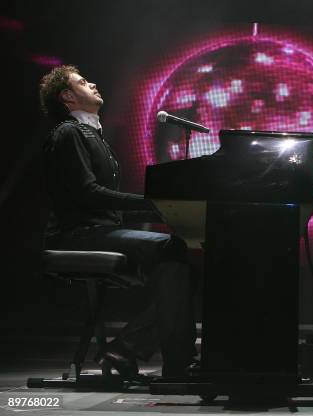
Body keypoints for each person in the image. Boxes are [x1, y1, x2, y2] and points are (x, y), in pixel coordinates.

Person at [40, 65, 196, 378]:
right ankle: (163, 357)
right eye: (83, 82)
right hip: (77, 235)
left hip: (98, 230)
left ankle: (134, 349)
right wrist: (155, 206)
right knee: (173, 251)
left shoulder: (90, 134)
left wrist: (162, 210)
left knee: (178, 260)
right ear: (68, 97)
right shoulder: (68, 132)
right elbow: (89, 194)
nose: (93, 83)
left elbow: (106, 200)